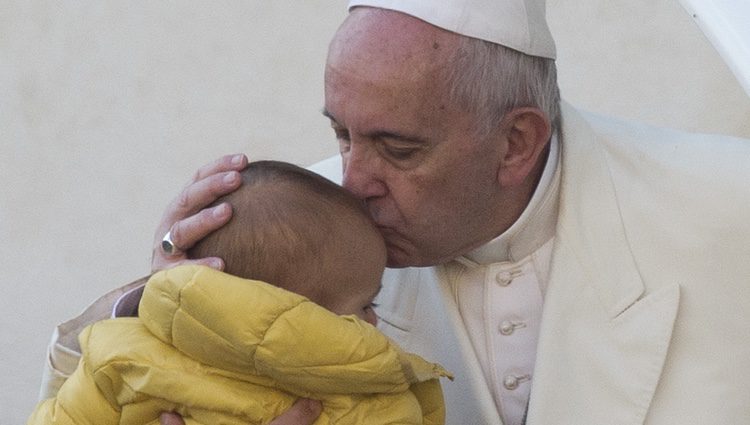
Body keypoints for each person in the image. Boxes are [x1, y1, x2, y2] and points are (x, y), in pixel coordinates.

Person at [40, 1, 750, 424]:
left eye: (397, 148)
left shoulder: (729, 205)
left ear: (516, 141)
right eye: (341, 134)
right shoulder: (297, 232)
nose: (352, 180)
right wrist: (160, 303)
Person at [29, 161, 450, 425]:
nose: (375, 322)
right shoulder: (373, 402)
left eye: (398, 146)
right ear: (300, 313)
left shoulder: (121, 355)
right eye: (366, 305)